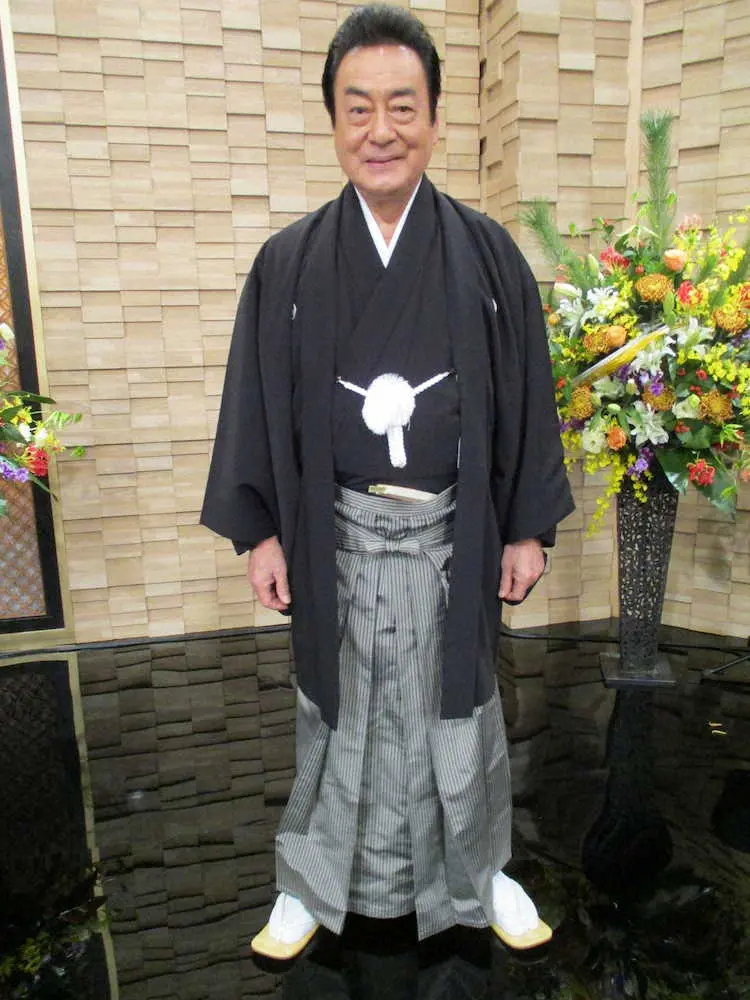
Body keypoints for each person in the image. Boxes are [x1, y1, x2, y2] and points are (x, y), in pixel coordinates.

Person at [201, 3, 574, 960]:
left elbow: (527, 394)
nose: (381, 129)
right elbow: (252, 401)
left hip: (455, 535)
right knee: (337, 714)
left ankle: (482, 871)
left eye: (402, 106)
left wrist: (526, 527)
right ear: (333, 122)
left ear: (436, 118)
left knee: (462, 712)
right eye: (358, 107)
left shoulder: (488, 256)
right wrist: (262, 533)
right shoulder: (287, 264)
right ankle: (309, 884)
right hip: (334, 537)